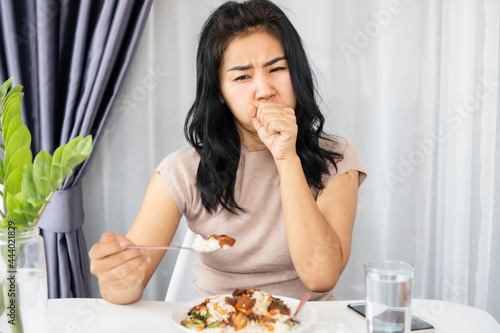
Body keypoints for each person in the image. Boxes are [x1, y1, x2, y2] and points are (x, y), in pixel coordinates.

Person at [89, 0, 367, 305]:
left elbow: (320, 277)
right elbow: (130, 284)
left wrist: (286, 158)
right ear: (219, 92)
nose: (264, 89)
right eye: (242, 76)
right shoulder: (181, 171)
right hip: (217, 323)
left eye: (277, 68)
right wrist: (116, 278)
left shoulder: (336, 159)